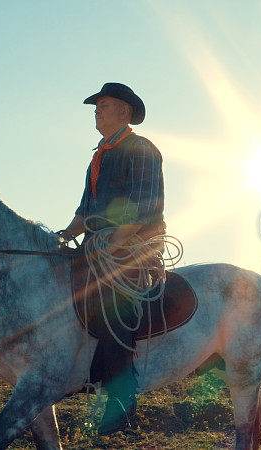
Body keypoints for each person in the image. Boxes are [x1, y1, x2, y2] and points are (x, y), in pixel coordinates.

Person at [58, 82, 165, 435]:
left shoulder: (141, 148)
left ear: (123, 110)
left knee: (111, 301)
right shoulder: (98, 155)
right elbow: (83, 213)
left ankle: (121, 401)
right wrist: (62, 237)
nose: (96, 110)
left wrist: (113, 247)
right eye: (96, 106)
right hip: (99, 245)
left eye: (102, 104)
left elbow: (141, 208)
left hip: (135, 245)